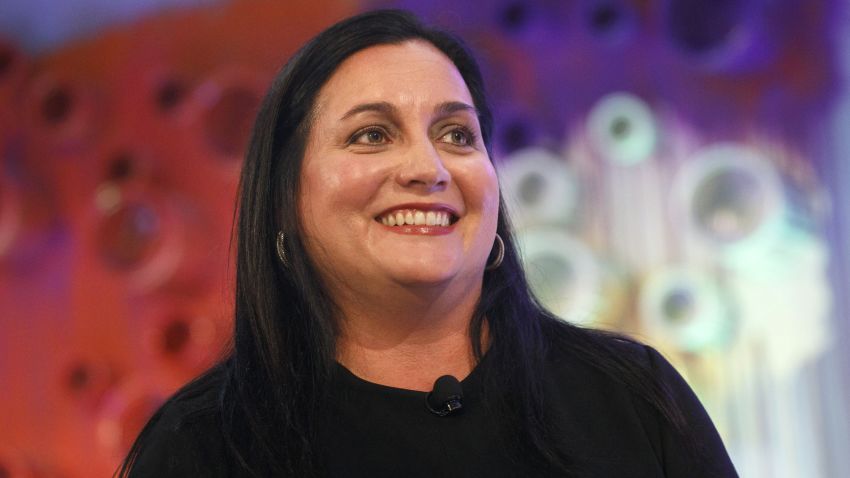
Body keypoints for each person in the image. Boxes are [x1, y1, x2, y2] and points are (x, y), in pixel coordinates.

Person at [119, 9, 738, 477]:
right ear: (284, 196)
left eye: (456, 134)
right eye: (370, 135)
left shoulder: (634, 397)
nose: (429, 168)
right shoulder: (203, 448)